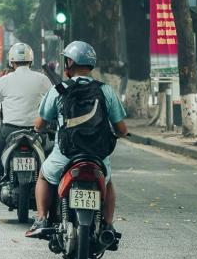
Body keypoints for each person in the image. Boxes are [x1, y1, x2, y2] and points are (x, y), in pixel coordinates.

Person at [26, 40, 129, 241]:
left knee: (44, 176)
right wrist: (121, 134)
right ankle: (107, 224)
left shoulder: (58, 90)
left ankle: (41, 219)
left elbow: (39, 124)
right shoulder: (105, 90)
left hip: (65, 154)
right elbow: (121, 129)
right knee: (107, 183)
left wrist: (41, 127)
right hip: (97, 156)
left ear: (70, 63)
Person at [0, 41, 51, 193]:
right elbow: (53, 100)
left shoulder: (5, 79)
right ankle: (48, 183)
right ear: (31, 60)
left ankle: (0, 178)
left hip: (10, 130)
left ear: (11, 61)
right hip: (36, 131)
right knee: (50, 150)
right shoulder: (42, 78)